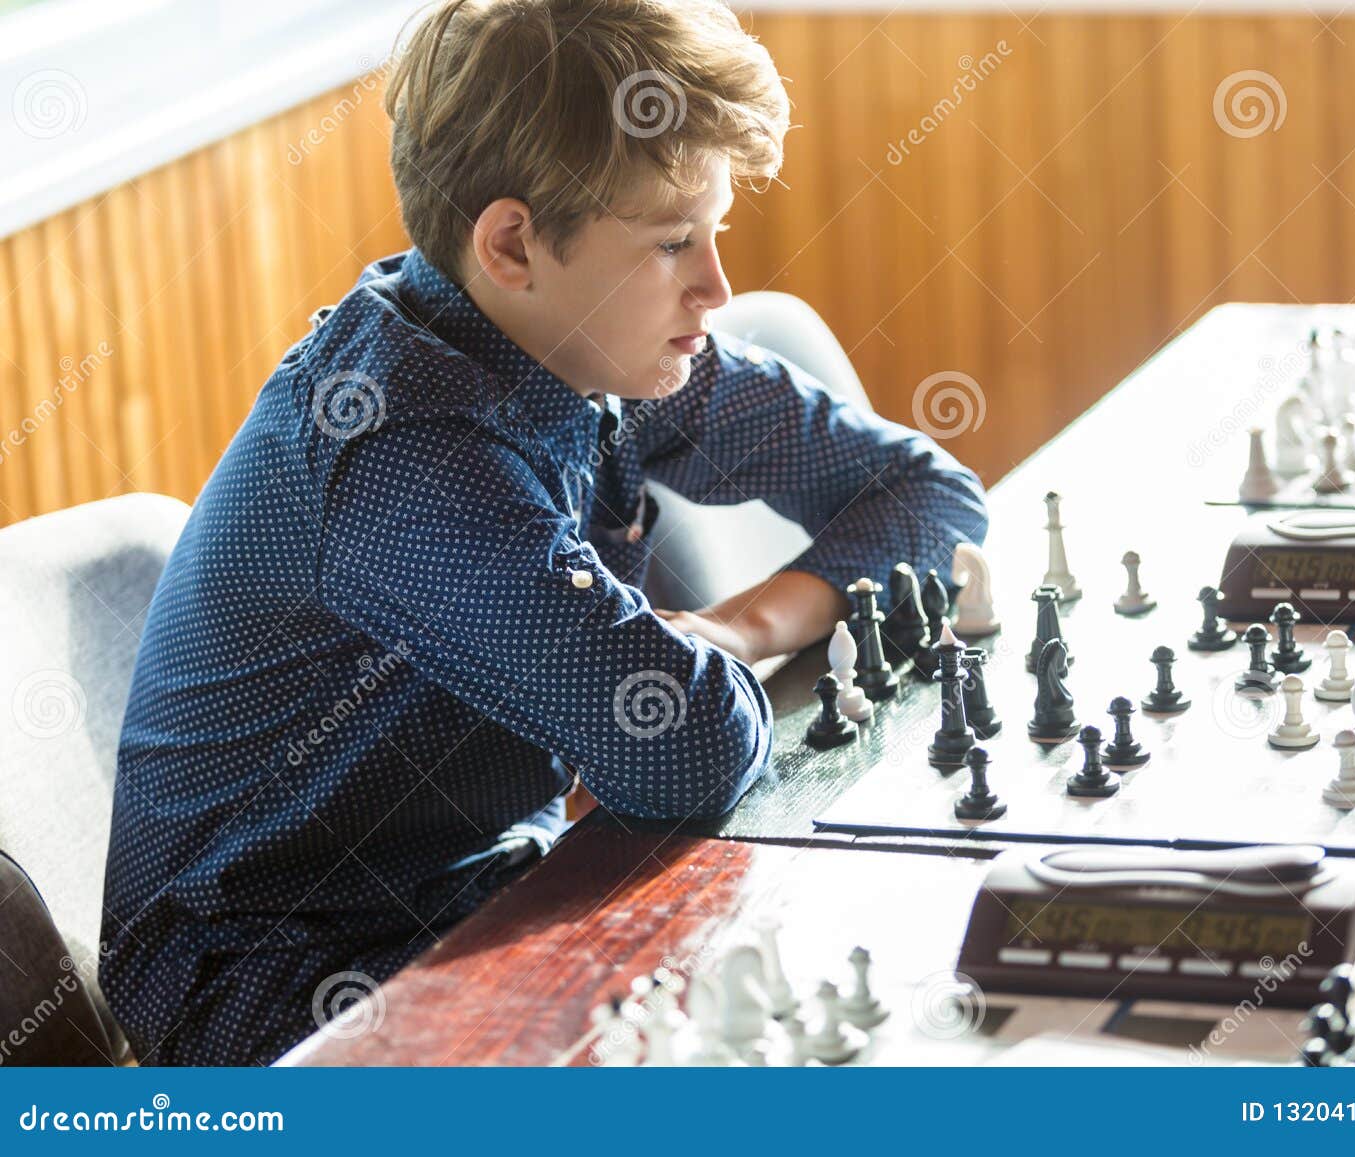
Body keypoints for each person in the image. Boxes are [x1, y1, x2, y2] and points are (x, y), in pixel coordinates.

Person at [99, 0, 988, 1066]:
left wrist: (737, 626)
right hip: (276, 992)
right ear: (513, 243)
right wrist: (699, 670)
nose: (717, 287)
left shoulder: (582, 338)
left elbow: (926, 495)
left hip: (496, 885)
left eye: (715, 233)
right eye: (671, 243)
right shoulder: (403, 451)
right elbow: (684, 749)